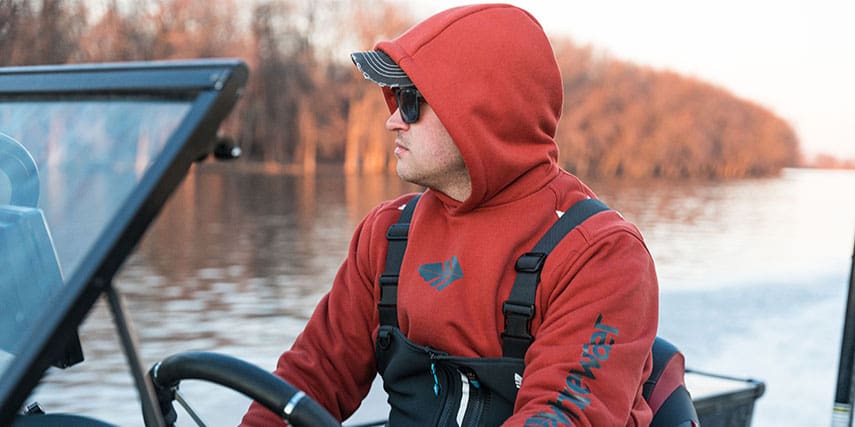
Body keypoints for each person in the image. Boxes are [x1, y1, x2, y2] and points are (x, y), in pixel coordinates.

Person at [240, 3, 658, 426]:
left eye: (409, 101)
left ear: (479, 112)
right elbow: (308, 379)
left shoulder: (601, 253)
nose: (391, 122)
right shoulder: (386, 236)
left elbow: (561, 416)